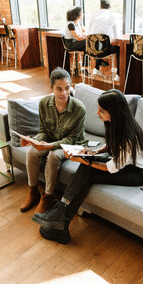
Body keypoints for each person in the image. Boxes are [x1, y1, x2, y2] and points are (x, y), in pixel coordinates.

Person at [32, 89, 143, 244]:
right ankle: (61, 218)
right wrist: (94, 152)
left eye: (102, 111)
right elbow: (111, 145)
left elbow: (111, 168)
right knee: (87, 169)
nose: (97, 113)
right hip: (125, 164)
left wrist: (84, 160)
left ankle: (60, 217)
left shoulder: (128, 136)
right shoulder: (118, 124)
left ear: (114, 112)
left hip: (138, 173)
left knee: (88, 170)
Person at [20, 67, 87, 214]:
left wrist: (50, 146)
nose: (64, 93)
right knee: (31, 152)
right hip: (51, 140)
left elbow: (73, 138)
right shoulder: (44, 103)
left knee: (54, 155)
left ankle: (48, 196)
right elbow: (43, 131)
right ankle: (33, 191)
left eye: (67, 88)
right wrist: (34, 141)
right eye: (59, 89)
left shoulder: (79, 109)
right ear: (51, 88)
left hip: (72, 144)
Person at [87, 0, 120, 80]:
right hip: (105, 49)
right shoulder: (113, 16)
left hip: (92, 49)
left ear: (100, 6)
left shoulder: (92, 15)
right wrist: (109, 39)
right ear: (110, 7)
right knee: (119, 49)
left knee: (99, 44)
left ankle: (96, 67)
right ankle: (118, 74)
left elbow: (89, 34)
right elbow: (117, 37)